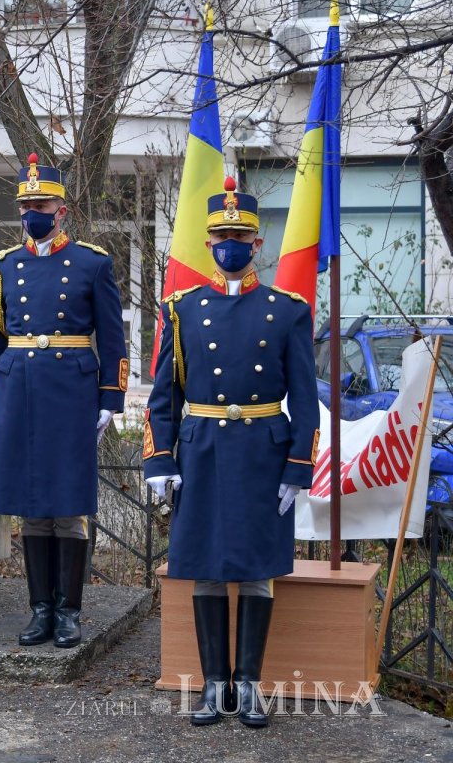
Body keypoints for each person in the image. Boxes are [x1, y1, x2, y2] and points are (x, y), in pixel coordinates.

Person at [143, 177, 319, 728]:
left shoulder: (287, 310)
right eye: (221, 237)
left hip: (263, 453)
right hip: (203, 452)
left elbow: (305, 396)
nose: (230, 245)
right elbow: (164, 395)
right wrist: (160, 460)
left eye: (240, 236)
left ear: (257, 243)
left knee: (257, 568)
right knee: (207, 567)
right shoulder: (182, 309)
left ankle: (249, 685)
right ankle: (213, 684)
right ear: (208, 242)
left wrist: (298, 465)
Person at [0, 153, 128, 648]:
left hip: (71, 393)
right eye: (26, 206)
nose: (32, 214)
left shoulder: (92, 263)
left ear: (61, 211)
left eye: (41, 206)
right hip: (19, 388)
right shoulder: (6, 264)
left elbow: (112, 339)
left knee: (68, 504)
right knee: (30, 505)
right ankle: (40, 609)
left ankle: (69, 611)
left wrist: (110, 397)